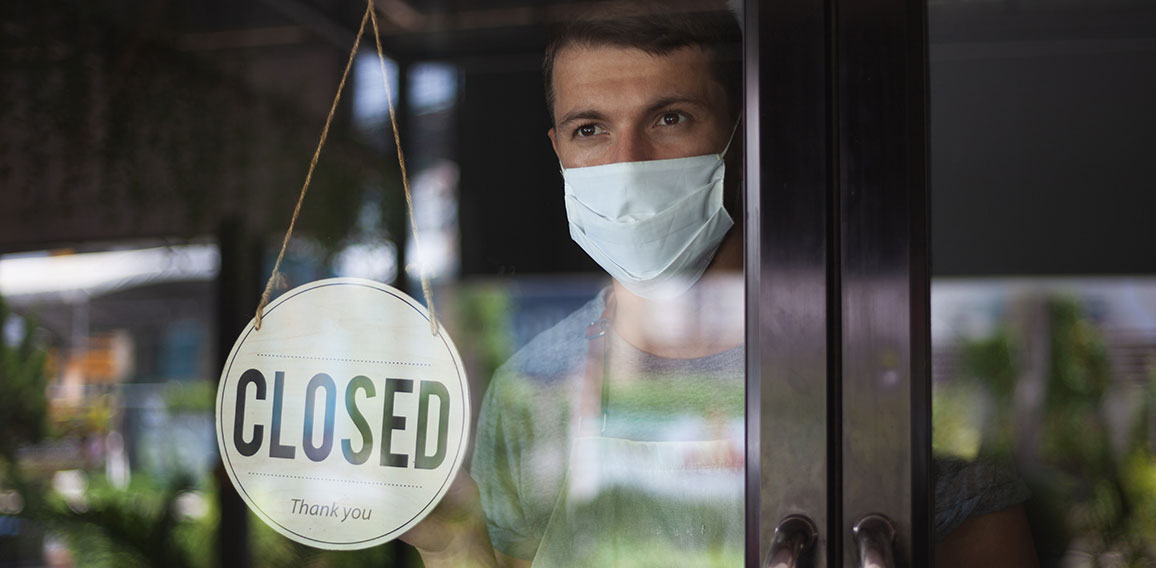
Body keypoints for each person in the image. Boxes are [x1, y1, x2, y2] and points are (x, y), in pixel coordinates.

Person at [401, 2, 1038, 566]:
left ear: (742, 130)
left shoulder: (887, 378)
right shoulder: (531, 384)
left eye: (670, 118)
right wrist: (447, 541)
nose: (627, 163)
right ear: (557, 147)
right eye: (589, 129)